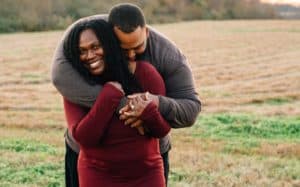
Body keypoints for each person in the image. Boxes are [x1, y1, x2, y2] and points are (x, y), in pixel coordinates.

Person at [51, 3, 201, 186]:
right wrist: (125, 104)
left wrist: (153, 103)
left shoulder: (167, 58)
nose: (130, 55)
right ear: (108, 39)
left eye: (137, 48)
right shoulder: (84, 39)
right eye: (122, 49)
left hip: (146, 164)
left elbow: (190, 110)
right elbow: (60, 77)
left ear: (146, 33)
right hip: (93, 165)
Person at [63, 19, 170, 186]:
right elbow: (84, 138)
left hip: (146, 174)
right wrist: (109, 96)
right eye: (82, 51)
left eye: (95, 47)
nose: (89, 56)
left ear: (110, 45)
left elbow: (162, 130)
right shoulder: (77, 85)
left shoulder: (145, 74)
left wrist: (148, 111)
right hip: (98, 175)